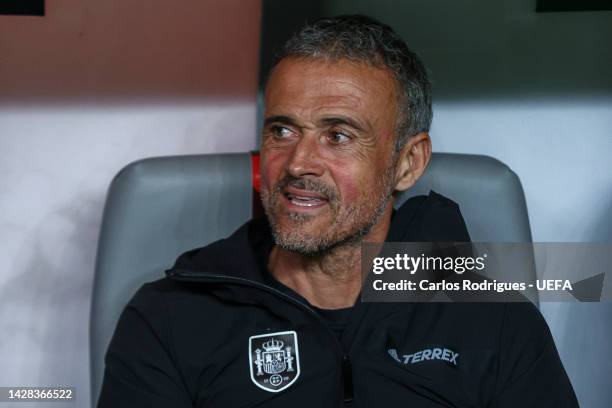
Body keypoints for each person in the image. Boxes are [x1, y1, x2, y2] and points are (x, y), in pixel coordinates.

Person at [98, 15, 578, 407]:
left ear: (407, 164)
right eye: (282, 131)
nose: (298, 163)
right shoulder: (168, 318)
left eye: (338, 136)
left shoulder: (494, 320)